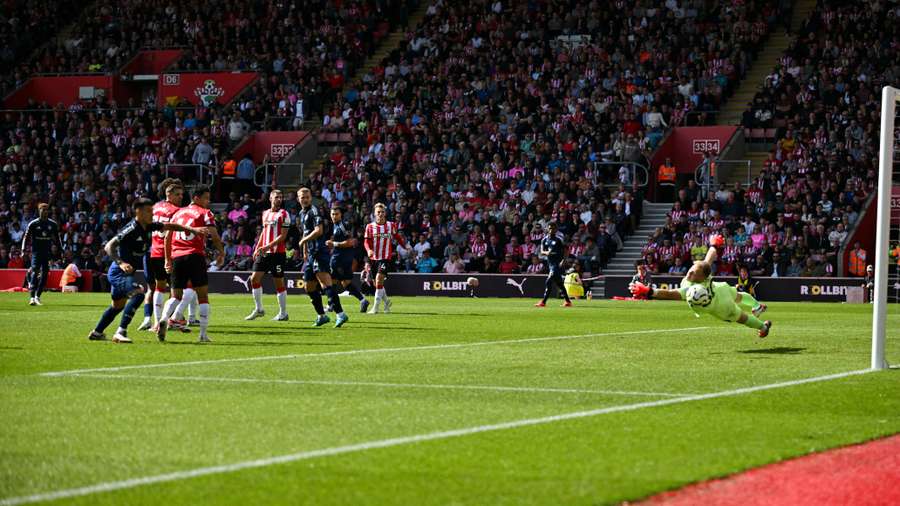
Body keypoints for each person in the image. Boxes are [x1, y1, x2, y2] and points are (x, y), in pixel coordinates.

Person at [88, 198, 205, 343]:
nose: (152, 214)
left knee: (117, 306)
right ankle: (120, 332)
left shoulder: (149, 227)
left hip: (126, 274)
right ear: (139, 212)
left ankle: (97, 332)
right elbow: (109, 246)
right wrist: (121, 262)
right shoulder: (131, 228)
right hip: (119, 273)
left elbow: (170, 226)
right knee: (138, 294)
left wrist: (193, 230)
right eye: (149, 211)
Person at [629, 235, 772, 337]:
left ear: (700, 277)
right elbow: (710, 256)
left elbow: (668, 294)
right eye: (693, 267)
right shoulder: (704, 271)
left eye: (694, 271)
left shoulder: (691, 289)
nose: (691, 270)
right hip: (720, 289)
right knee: (738, 295)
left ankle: (763, 327)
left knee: (743, 318)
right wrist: (714, 244)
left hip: (721, 306)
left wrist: (649, 291)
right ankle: (756, 306)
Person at [156, 186, 225, 342]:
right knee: (203, 296)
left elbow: (167, 237)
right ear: (196, 198)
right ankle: (203, 335)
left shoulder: (177, 213)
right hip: (194, 256)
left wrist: (167, 259)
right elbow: (214, 236)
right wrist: (221, 252)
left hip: (177, 257)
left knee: (175, 296)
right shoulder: (205, 213)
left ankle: (164, 318)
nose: (208, 201)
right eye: (206, 198)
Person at [138, 178, 185, 331]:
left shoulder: (155, 207)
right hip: (169, 253)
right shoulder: (176, 211)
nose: (181, 197)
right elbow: (173, 234)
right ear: (169, 194)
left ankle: (156, 323)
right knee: (179, 289)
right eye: (178, 194)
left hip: (153, 251)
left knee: (158, 287)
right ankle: (173, 320)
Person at [297, 187, 348, 327]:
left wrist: (304, 241)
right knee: (308, 286)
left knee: (325, 284)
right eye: (303, 197)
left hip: (319, 251)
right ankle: (322, 316)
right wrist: (305, 250)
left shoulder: (314, 211)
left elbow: (318, 231)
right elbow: (305, 232)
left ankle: (340, 314)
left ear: (311, 197)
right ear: (298, 199)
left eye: (307, 197)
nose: (305, 199)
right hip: (311, 254)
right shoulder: (302, 213)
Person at [244, 189, 291, 321]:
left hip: (278, 254)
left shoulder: (284, 214)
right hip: (264, 252)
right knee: (254, 279)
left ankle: (283, 313)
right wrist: (257, 248)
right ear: (270, 198)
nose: (279, 199)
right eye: (276, 197)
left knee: (278, 283)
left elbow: (283, 236)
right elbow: (264, 233)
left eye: (281, 197)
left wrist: (267, 246)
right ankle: (259, 309)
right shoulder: (265, 214)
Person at [364, 202, 407, 314]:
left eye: (382, 212)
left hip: (385, 257)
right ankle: (387, 302)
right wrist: (368, 250)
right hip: (374, 258)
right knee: (377, 283)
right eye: (378, 212)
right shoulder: (370, 227)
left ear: (385, 213)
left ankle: (375, 308)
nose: (381, 214)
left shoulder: (390, 225)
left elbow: (397, 237)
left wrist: (405, 246)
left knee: (378, 279)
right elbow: (366, 241)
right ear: (374, 213)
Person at [326, 204, 369, 313]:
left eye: (336, 214)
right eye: (332, 214)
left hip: (340, 258)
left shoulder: (343, 225)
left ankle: (331, 304)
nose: (334, 216)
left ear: (341, 215)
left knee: (331, 281)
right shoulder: (335, 225)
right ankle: (363, 300)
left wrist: (333, 244)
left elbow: (351, 242)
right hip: (343, 257)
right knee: (345, 283)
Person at [22, 203, 61, 306]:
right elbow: (26, 237)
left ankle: (37, 296)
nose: (44, 212)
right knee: (35, 271)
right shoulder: (33, 223)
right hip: (36, 252)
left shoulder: (52, 224)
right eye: (42, 210)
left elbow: (57, 238)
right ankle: (31, 297)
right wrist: (23, 250)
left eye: (46, 210)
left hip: (47, 253)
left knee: (45, 274)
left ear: (48, 211)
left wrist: (60, 250)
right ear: (39, 211)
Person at [534, 221, 572, 307]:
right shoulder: (544, 240)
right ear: (547, 229)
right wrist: (546, 253)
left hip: (557, 264)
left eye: (553, 228)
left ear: (556, 230)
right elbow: (542, 251)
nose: (551, 230)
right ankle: (568, 301)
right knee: (559, 284)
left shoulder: (558, 240)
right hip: (550, 263)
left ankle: (543, 302)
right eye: (550, 228)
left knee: (549, 281)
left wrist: (563, 260)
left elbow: (566, 250)